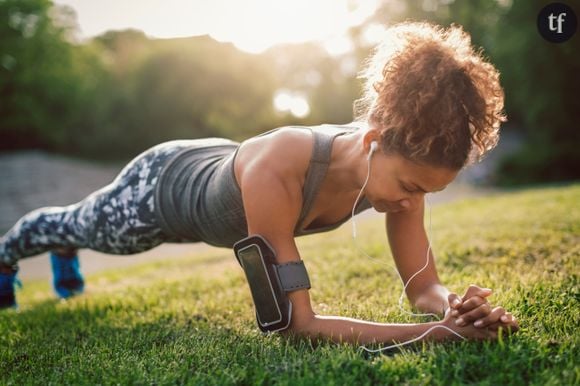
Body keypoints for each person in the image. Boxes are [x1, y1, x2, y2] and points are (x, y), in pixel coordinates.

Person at [0, 21, 518, 345]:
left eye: (428, 192)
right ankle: (12, 251)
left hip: (217, 158)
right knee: (87, 228)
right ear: (373, 141)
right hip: (160, 188)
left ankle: (63, 243)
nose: (412, 203)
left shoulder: (404, 168)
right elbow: (294, 325)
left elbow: (422, 286)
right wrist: (436, 335)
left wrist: (453, 306)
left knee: (82, 230)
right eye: (410, 186)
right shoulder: (283, 164)